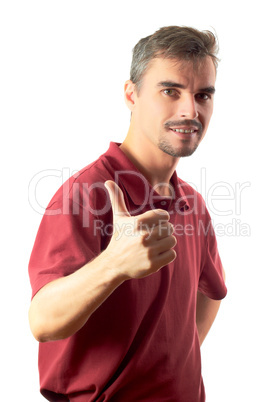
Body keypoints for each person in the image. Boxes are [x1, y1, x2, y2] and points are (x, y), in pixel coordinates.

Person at [28, 25, 227, 401]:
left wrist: (168, 363)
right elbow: (41, 321)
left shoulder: (193, 204)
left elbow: (212, 292)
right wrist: (114, 264)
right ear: (131, 95)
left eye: (203, 95)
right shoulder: (85, 194)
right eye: (170, 91)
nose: (190, 110)